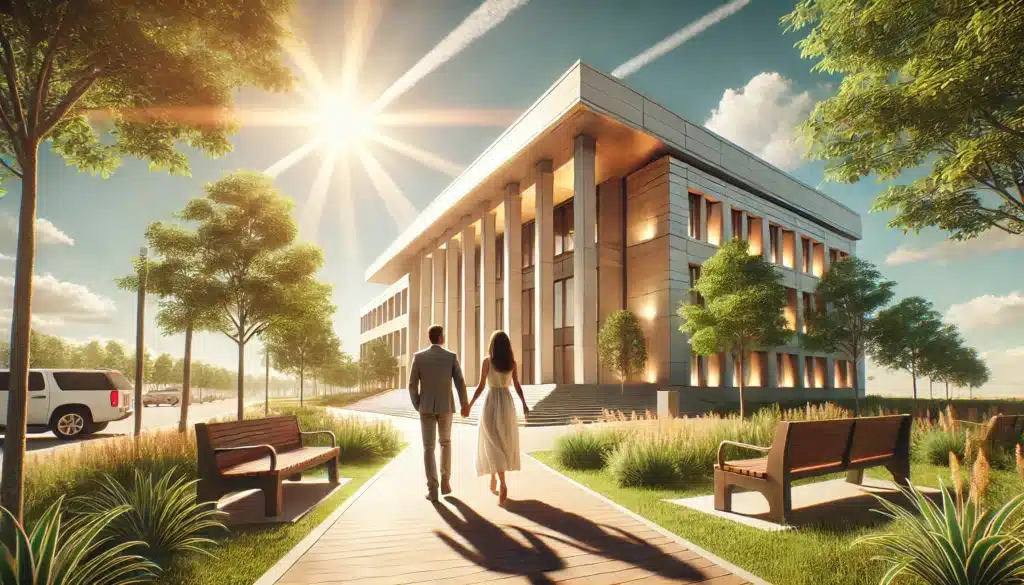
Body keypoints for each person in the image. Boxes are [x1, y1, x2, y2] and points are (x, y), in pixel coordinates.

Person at [463, 330, 529, 505]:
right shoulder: (512, 363)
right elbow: (517, 386)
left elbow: (481, 386)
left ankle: (502, 482)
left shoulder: (487, 362)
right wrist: (524, 404)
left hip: (492, 401)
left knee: (492, 440)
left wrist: (469, 404)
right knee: (500, 440)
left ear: (492, 345)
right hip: (506, 403)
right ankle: (494, 477)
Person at [408, 324, 468, 502]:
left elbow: (412, 385)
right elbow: (460, 383)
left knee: (428, 448)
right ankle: (446, 481)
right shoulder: (450, 357)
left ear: (430, 338)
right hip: (445, 407)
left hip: (425, 407)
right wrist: (464, 404)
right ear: (441, 338)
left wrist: (418, 404)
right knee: (446, 443)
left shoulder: (418, 358)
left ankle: (433, 490)